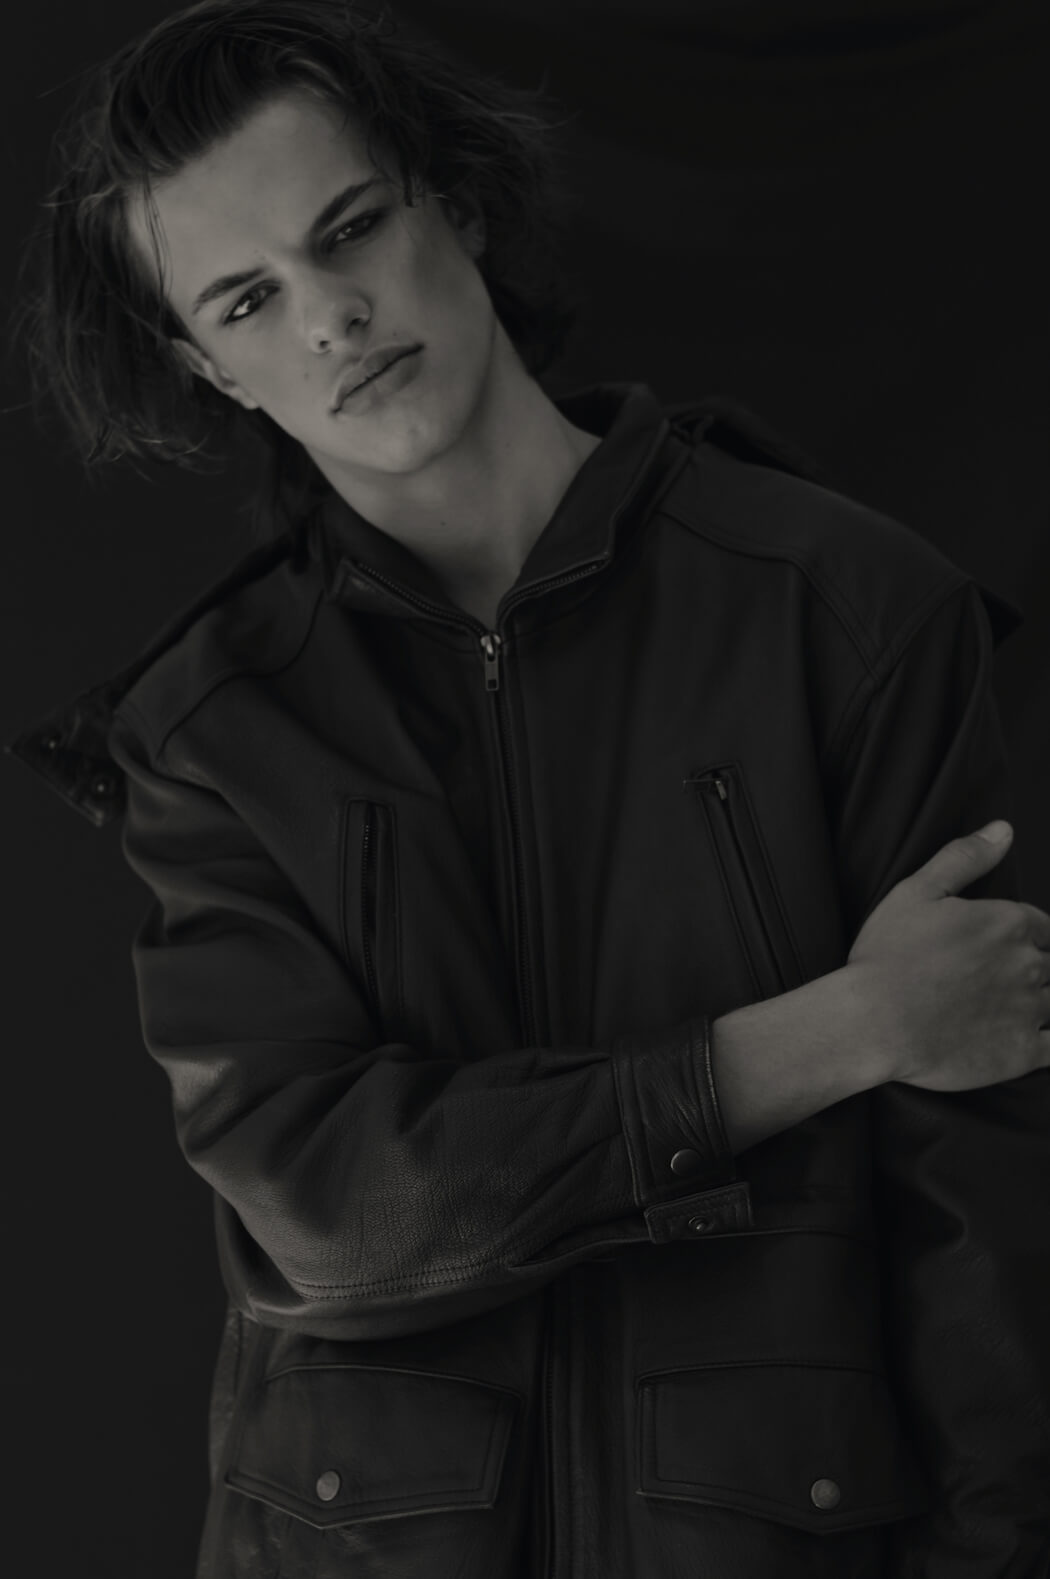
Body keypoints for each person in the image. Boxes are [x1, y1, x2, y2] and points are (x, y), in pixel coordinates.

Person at [7, 2, 1050, 1575]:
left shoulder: (843, 608)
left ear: (456, 203)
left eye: (351, 229)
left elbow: (978, 1232)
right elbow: (336, 1212)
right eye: (248, 298)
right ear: (205, 367)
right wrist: (839, 1030)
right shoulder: (210, 733)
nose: (332, 316)